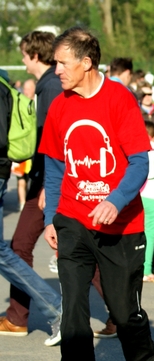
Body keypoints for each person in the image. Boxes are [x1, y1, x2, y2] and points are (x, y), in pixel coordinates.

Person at [39, 26, 154, 360]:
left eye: (62, 63)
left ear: (87, 62)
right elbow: (54, 168)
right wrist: (51, 218)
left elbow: (139, 162)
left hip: (120, 227)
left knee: (123, 315)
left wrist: (115, 200)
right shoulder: (60, 106)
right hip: (73, 221)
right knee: (74, 316)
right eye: (54, 63)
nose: (57, 70)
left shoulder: (119, 99)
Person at [1, 30, 64, 346]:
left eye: (24, 54)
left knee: (19, 248)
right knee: (20, 247)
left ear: (34, 55)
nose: (22, 60)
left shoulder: (51, 87)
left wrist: (46, 188)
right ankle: (17, 317)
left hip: (49, 181)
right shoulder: (47, 86)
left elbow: (56, 141)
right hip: (45, 179)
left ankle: (120, 315)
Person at [141, 121, 154, 282]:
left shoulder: (136, 148)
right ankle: (146, 270)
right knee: (149, 234)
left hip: (136, 195)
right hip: (152, 195)